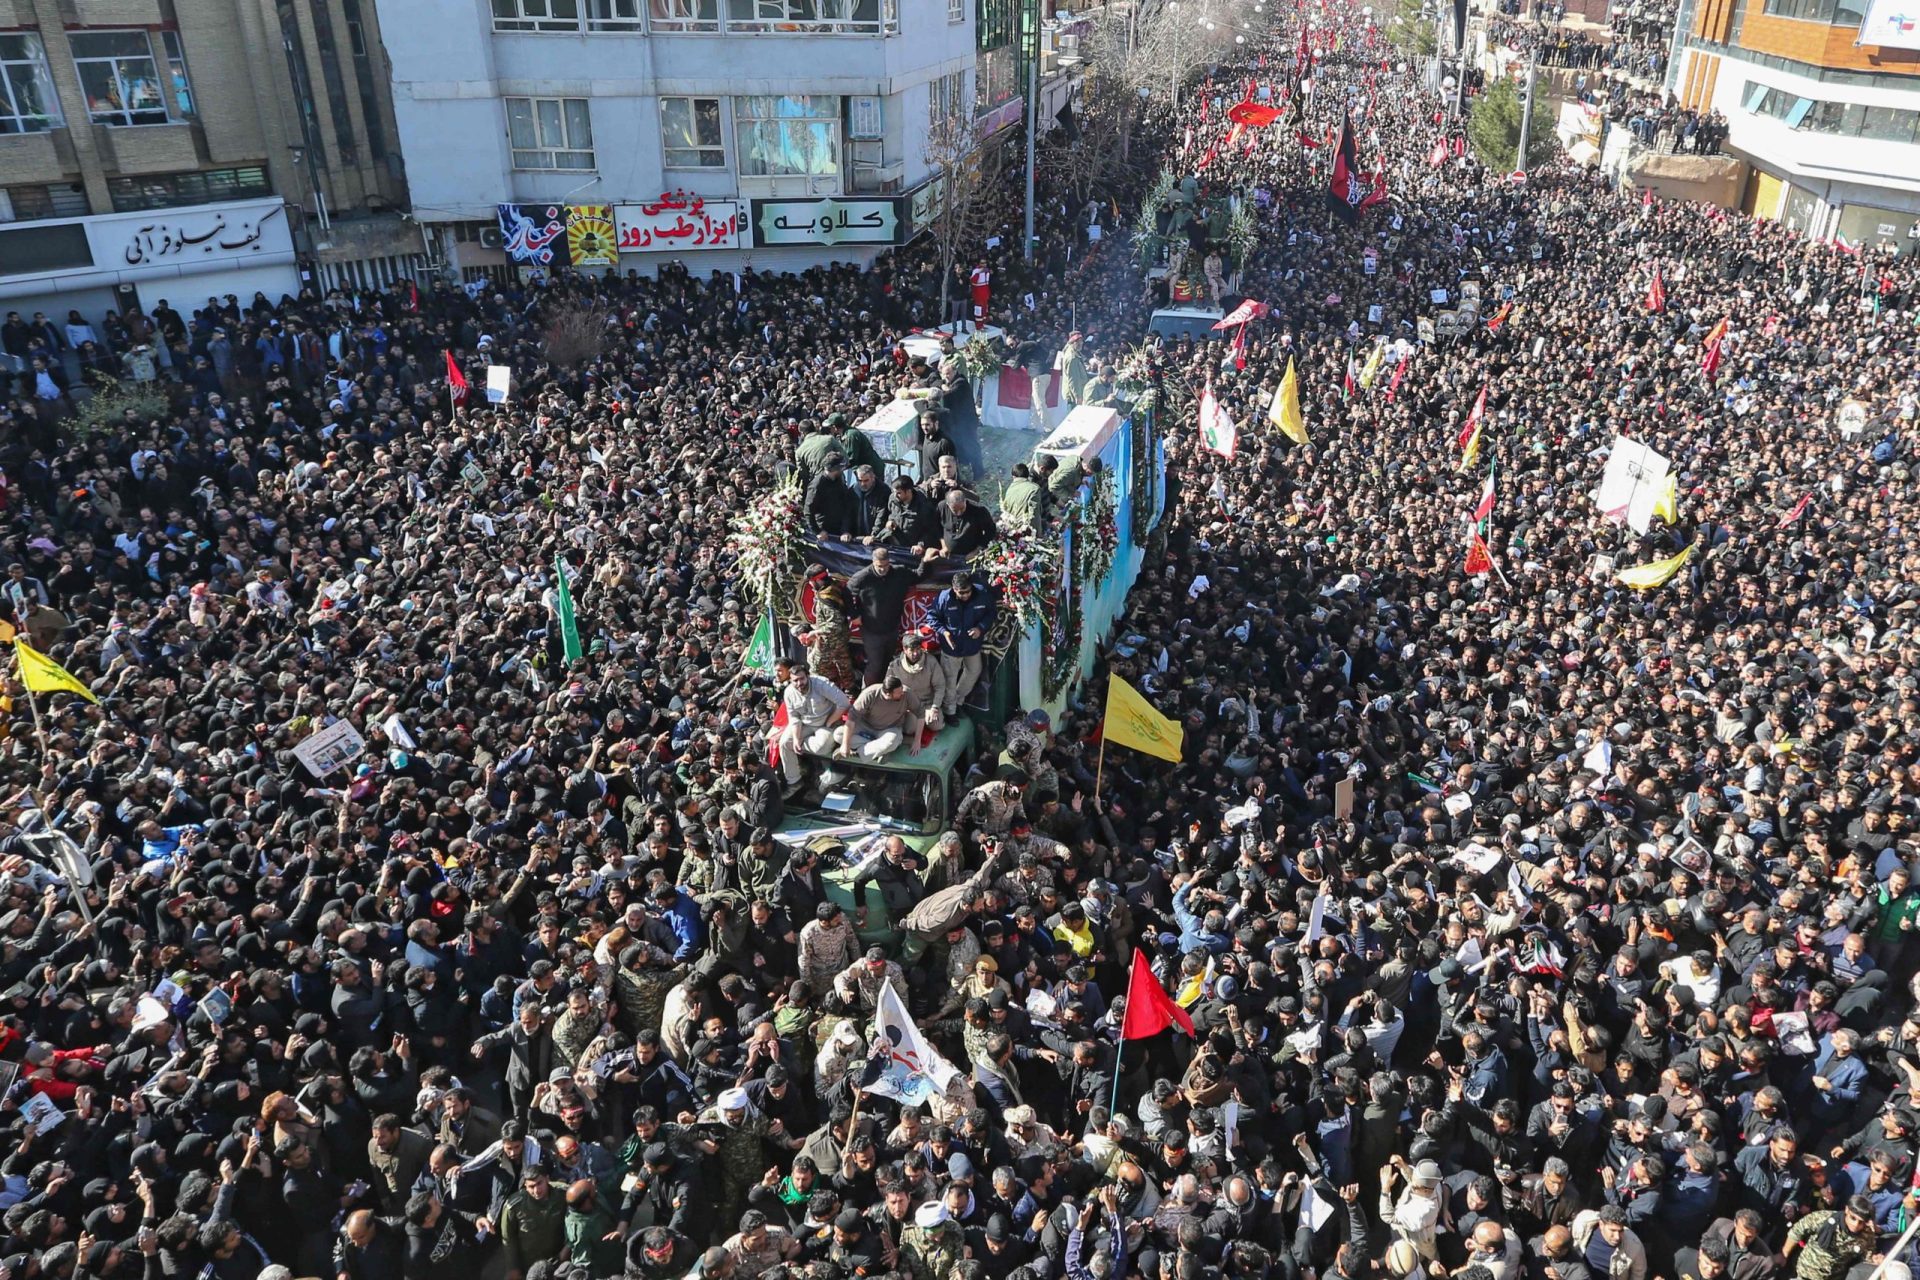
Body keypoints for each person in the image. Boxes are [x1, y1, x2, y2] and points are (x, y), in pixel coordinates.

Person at [928, 573, 996, 717]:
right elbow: (932, 617)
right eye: (961, 593)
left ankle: (958, 701)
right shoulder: (944, 598)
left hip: (972, 645)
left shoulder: (982, 593)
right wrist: (944, 632)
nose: (965, 595)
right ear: (954, 589)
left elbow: (991, 613)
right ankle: (950, 711)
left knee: (974, 672)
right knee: (949, 680)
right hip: (951, 647)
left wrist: (981, 628)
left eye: (968, 592)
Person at [837, 675, 924, 764]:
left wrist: (917, 741)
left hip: (889, 729)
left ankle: (858, 753)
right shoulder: (870, 694)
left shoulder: (906, 693)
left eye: (901, 689)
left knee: (892, 742)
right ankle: (880, 751)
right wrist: (845, 744)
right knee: (839, 735)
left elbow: (921, 714)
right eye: (898, 692)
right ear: (888, 694)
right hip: (866, 726)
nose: (902, 693)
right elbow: (851, 719)